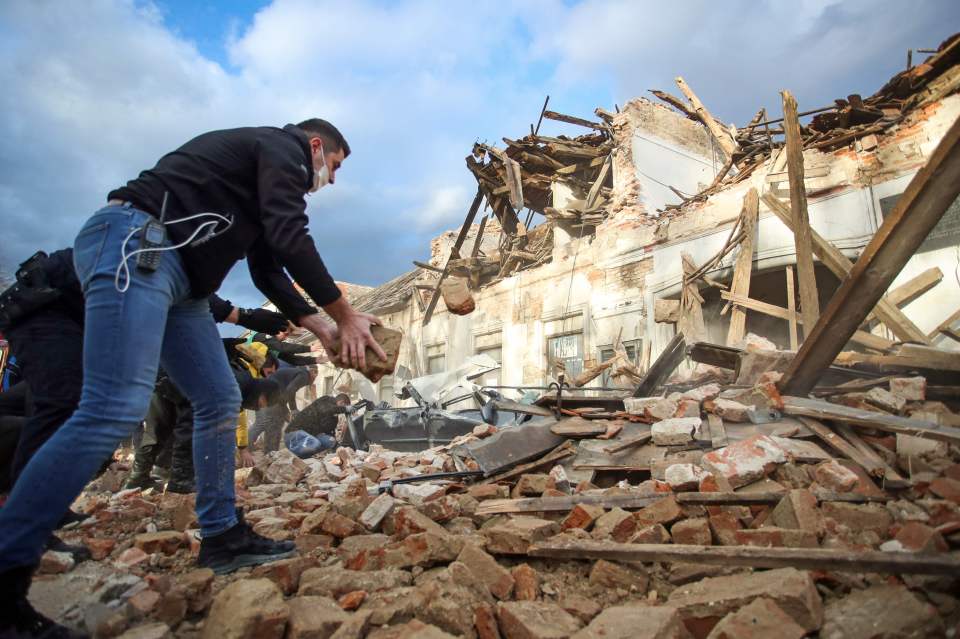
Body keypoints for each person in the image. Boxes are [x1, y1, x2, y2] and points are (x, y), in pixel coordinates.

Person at [0, 118, 386, 638]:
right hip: (138, 245)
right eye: (335, 166)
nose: (332, 180)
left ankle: (222, 534)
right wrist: (343, 312)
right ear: (316, 146)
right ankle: (7, 570)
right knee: (113, 406)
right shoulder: (282, 147)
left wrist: (319, 324)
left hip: (184, 284)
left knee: (218, 397)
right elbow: (292, 233)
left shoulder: (256, 187)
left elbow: (269, 268)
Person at [248, 366, 314, 452]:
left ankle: (269, 452)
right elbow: (291, 390)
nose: (315, 378)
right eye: (315, 373)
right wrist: (293, 409)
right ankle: (252, 449)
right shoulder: (304, 375)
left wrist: (286, 410)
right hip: (268, 396)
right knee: (267, 423)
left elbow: (288, 391)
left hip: (267, 394)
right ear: (312, 372)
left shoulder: (295, 372)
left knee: (272, 423)